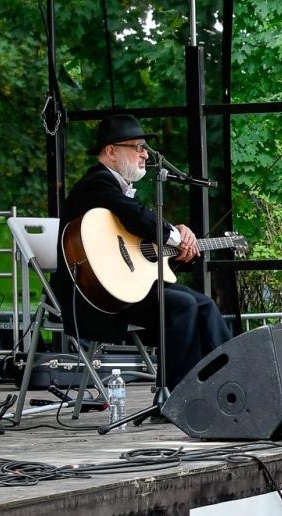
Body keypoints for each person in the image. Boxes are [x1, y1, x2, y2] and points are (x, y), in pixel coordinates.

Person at [55, 113, 231, 389]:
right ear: (111, 151)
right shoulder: (97, 183)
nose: (145, 155)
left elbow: (136, 232)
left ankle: (231, 376)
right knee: (183, 306)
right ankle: (177, 395)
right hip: (94, 301)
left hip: (121, 292)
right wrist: (175, 237)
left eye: (144, 148)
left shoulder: (115, 188)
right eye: (137, 147)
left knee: (204, 305)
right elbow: (135, 216)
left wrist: (174, 240)